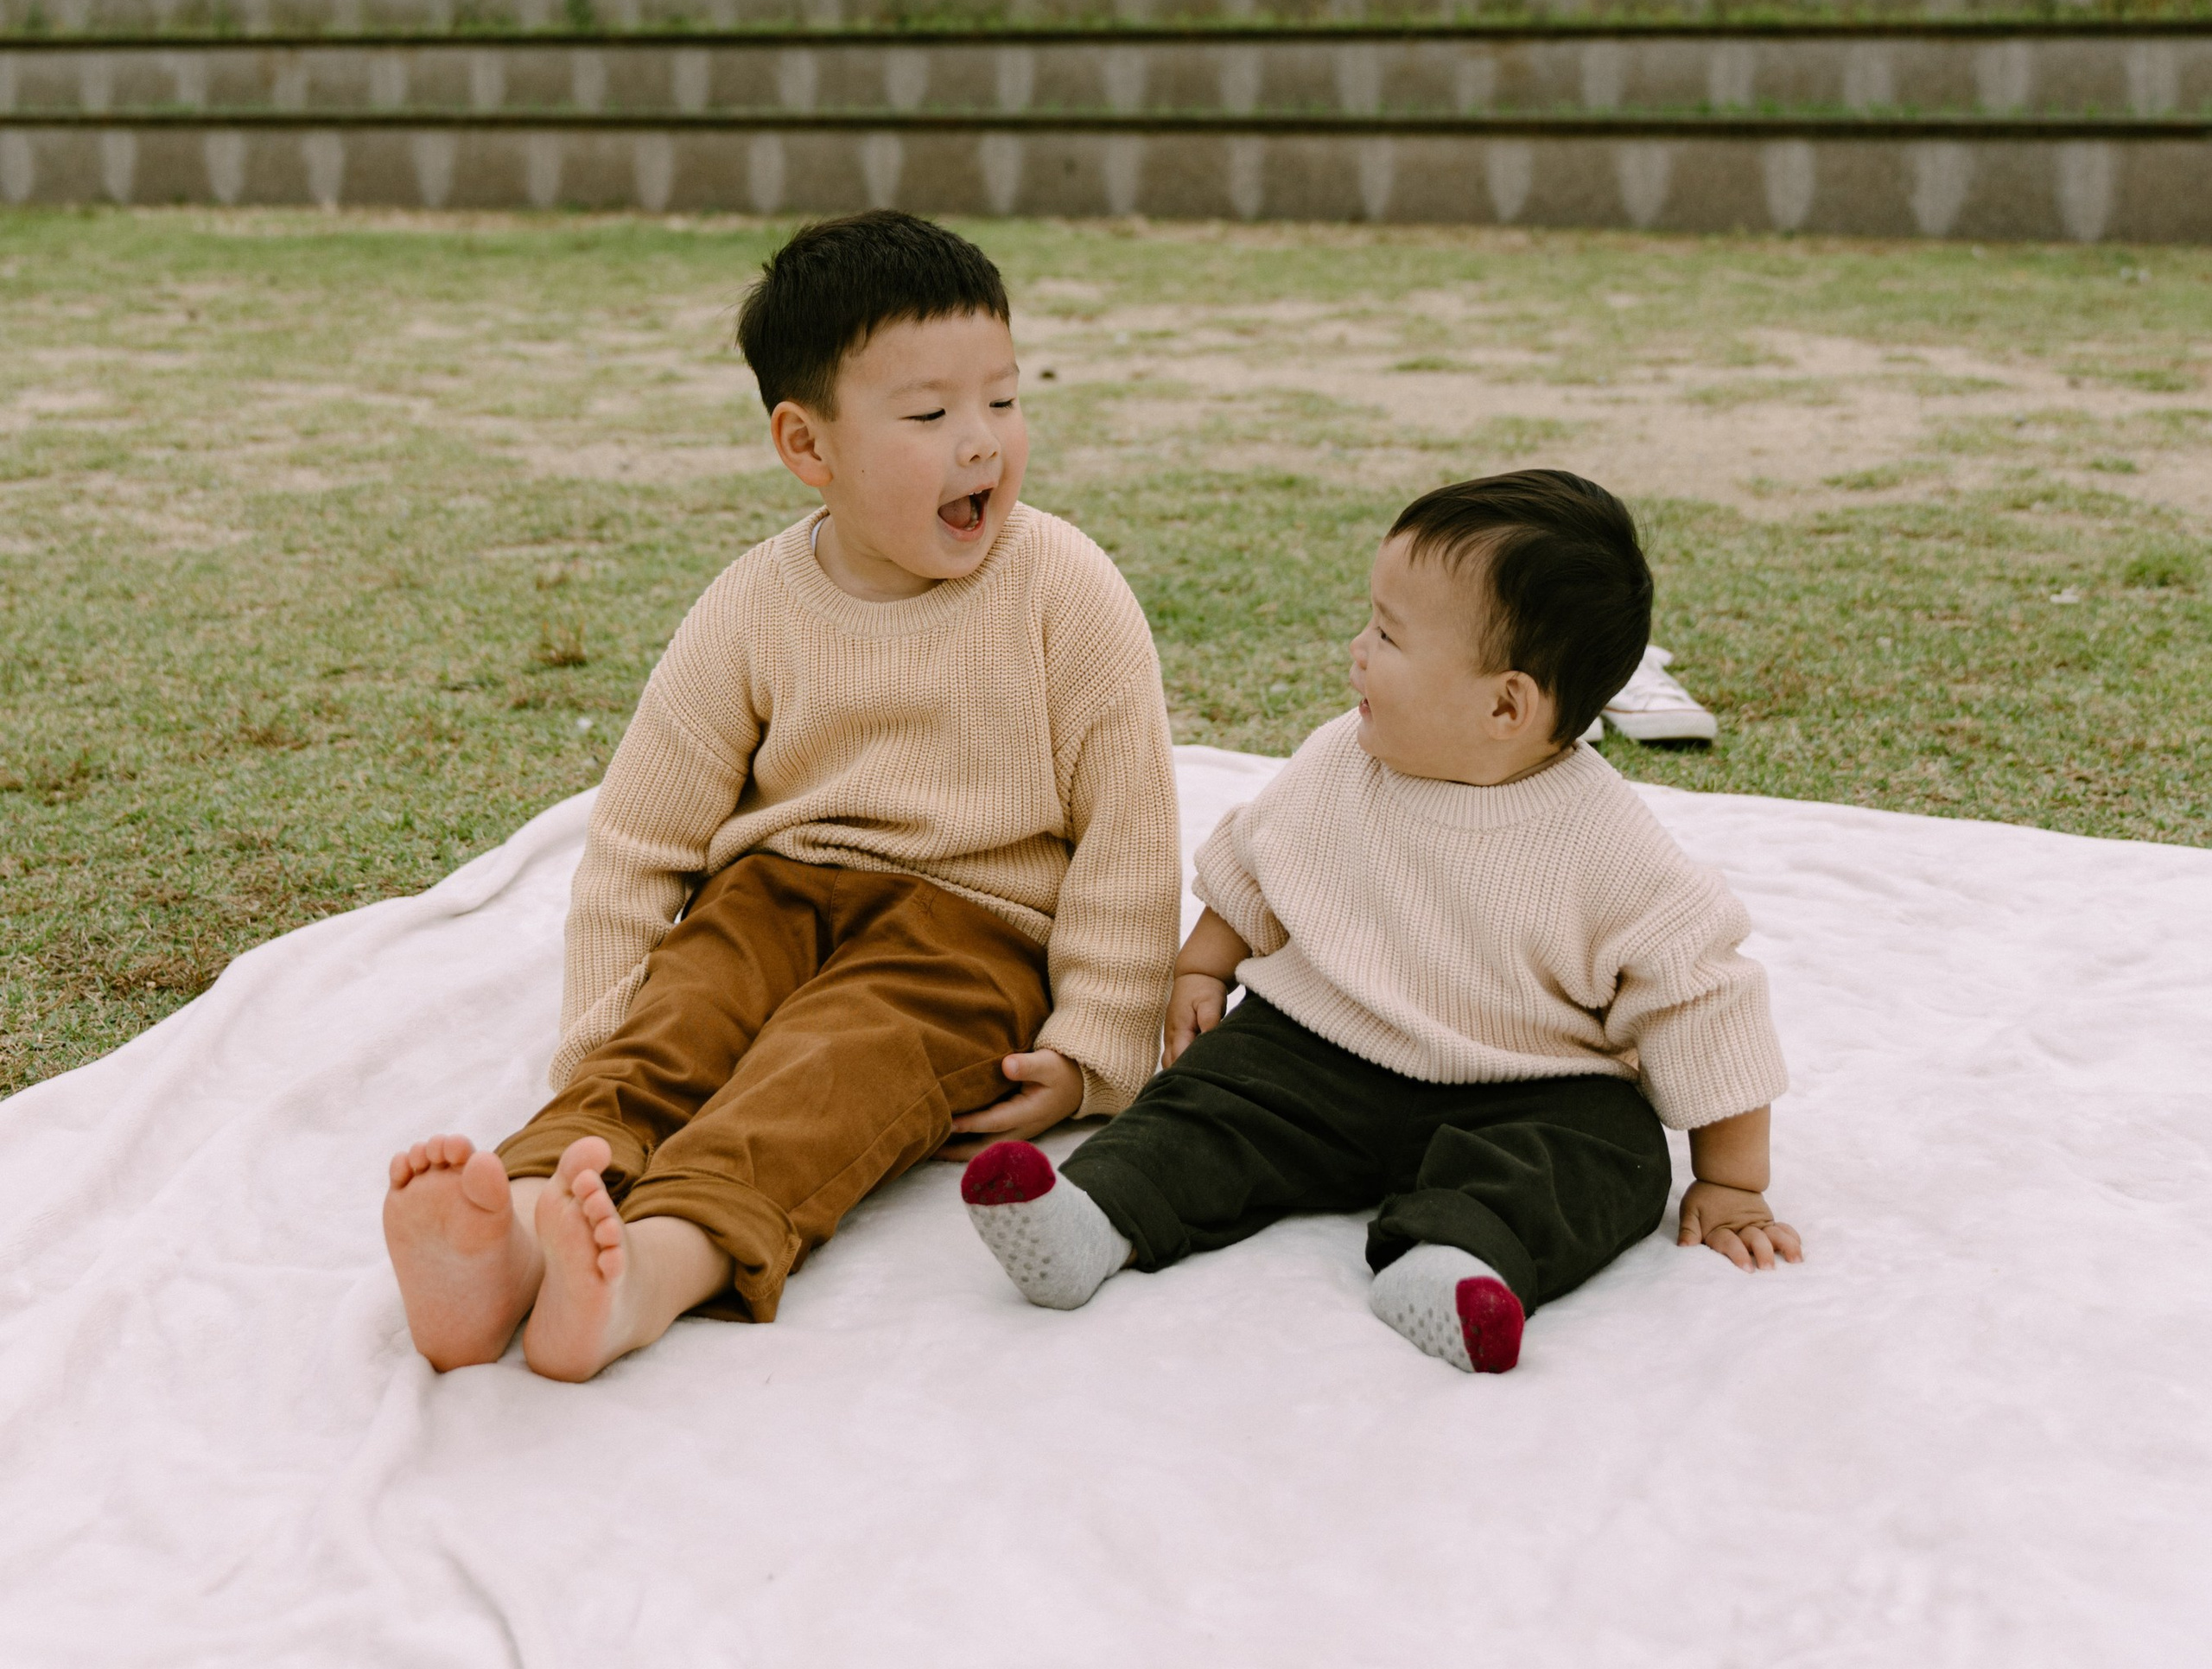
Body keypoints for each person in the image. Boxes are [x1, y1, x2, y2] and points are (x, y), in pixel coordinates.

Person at [384, 209, 1181, 1379]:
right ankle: (505, 1225)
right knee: (688, 1015)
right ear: (809, 447)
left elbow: (1130, 834)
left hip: (966, 935)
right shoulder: (754, 603)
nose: (982, 443)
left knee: (827, 1074)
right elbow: (642, 834)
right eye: (929, 414)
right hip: (768, 895)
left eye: (1003, 401)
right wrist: (606, 1025)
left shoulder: (1064, 587)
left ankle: (652, 1268)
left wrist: (1094, 1042)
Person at [962, 468, 1798, 1376]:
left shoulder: (1610, 847)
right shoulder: (1340, 759)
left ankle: (1457, 1260)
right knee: (1208, 1100)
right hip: (1318, 1047)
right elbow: (1256, 864)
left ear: (1505, 705)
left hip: (1524, 1081)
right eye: (1369, 618)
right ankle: (1094, 1216)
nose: (1357, 648)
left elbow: (1703, 1004)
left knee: (1609, 1157)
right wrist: (1203, 968)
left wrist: (1730, 1180)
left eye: (1388, 634)